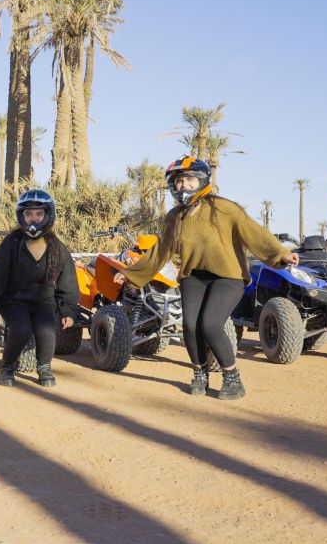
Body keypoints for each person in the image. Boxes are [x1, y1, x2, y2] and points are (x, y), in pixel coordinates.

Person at [114, 156, 299, 400]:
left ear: (202, 181)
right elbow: (161, 250)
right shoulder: (174, 216)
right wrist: (131, 274)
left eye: (189, 180)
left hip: (228, 276)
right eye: (179, 181)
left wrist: (280, 254)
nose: (183, 185)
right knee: (190, 326)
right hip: (193, 276)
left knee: (210, 325)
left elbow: (253, 232)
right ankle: (200, 373)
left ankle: (232, 377)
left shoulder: (224, 208)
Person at [0, 189, 79, 388]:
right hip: (13, 301)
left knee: (47, 333)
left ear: (48, 215)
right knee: (21, 329)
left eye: (39, 214)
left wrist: (68, 310)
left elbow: (68, 281)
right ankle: (7, 367)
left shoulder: (57, 247)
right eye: (28, 214)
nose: (33, 219)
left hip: (44, 301)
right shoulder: (11, 243)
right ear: (21, 216)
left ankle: (44, 368)